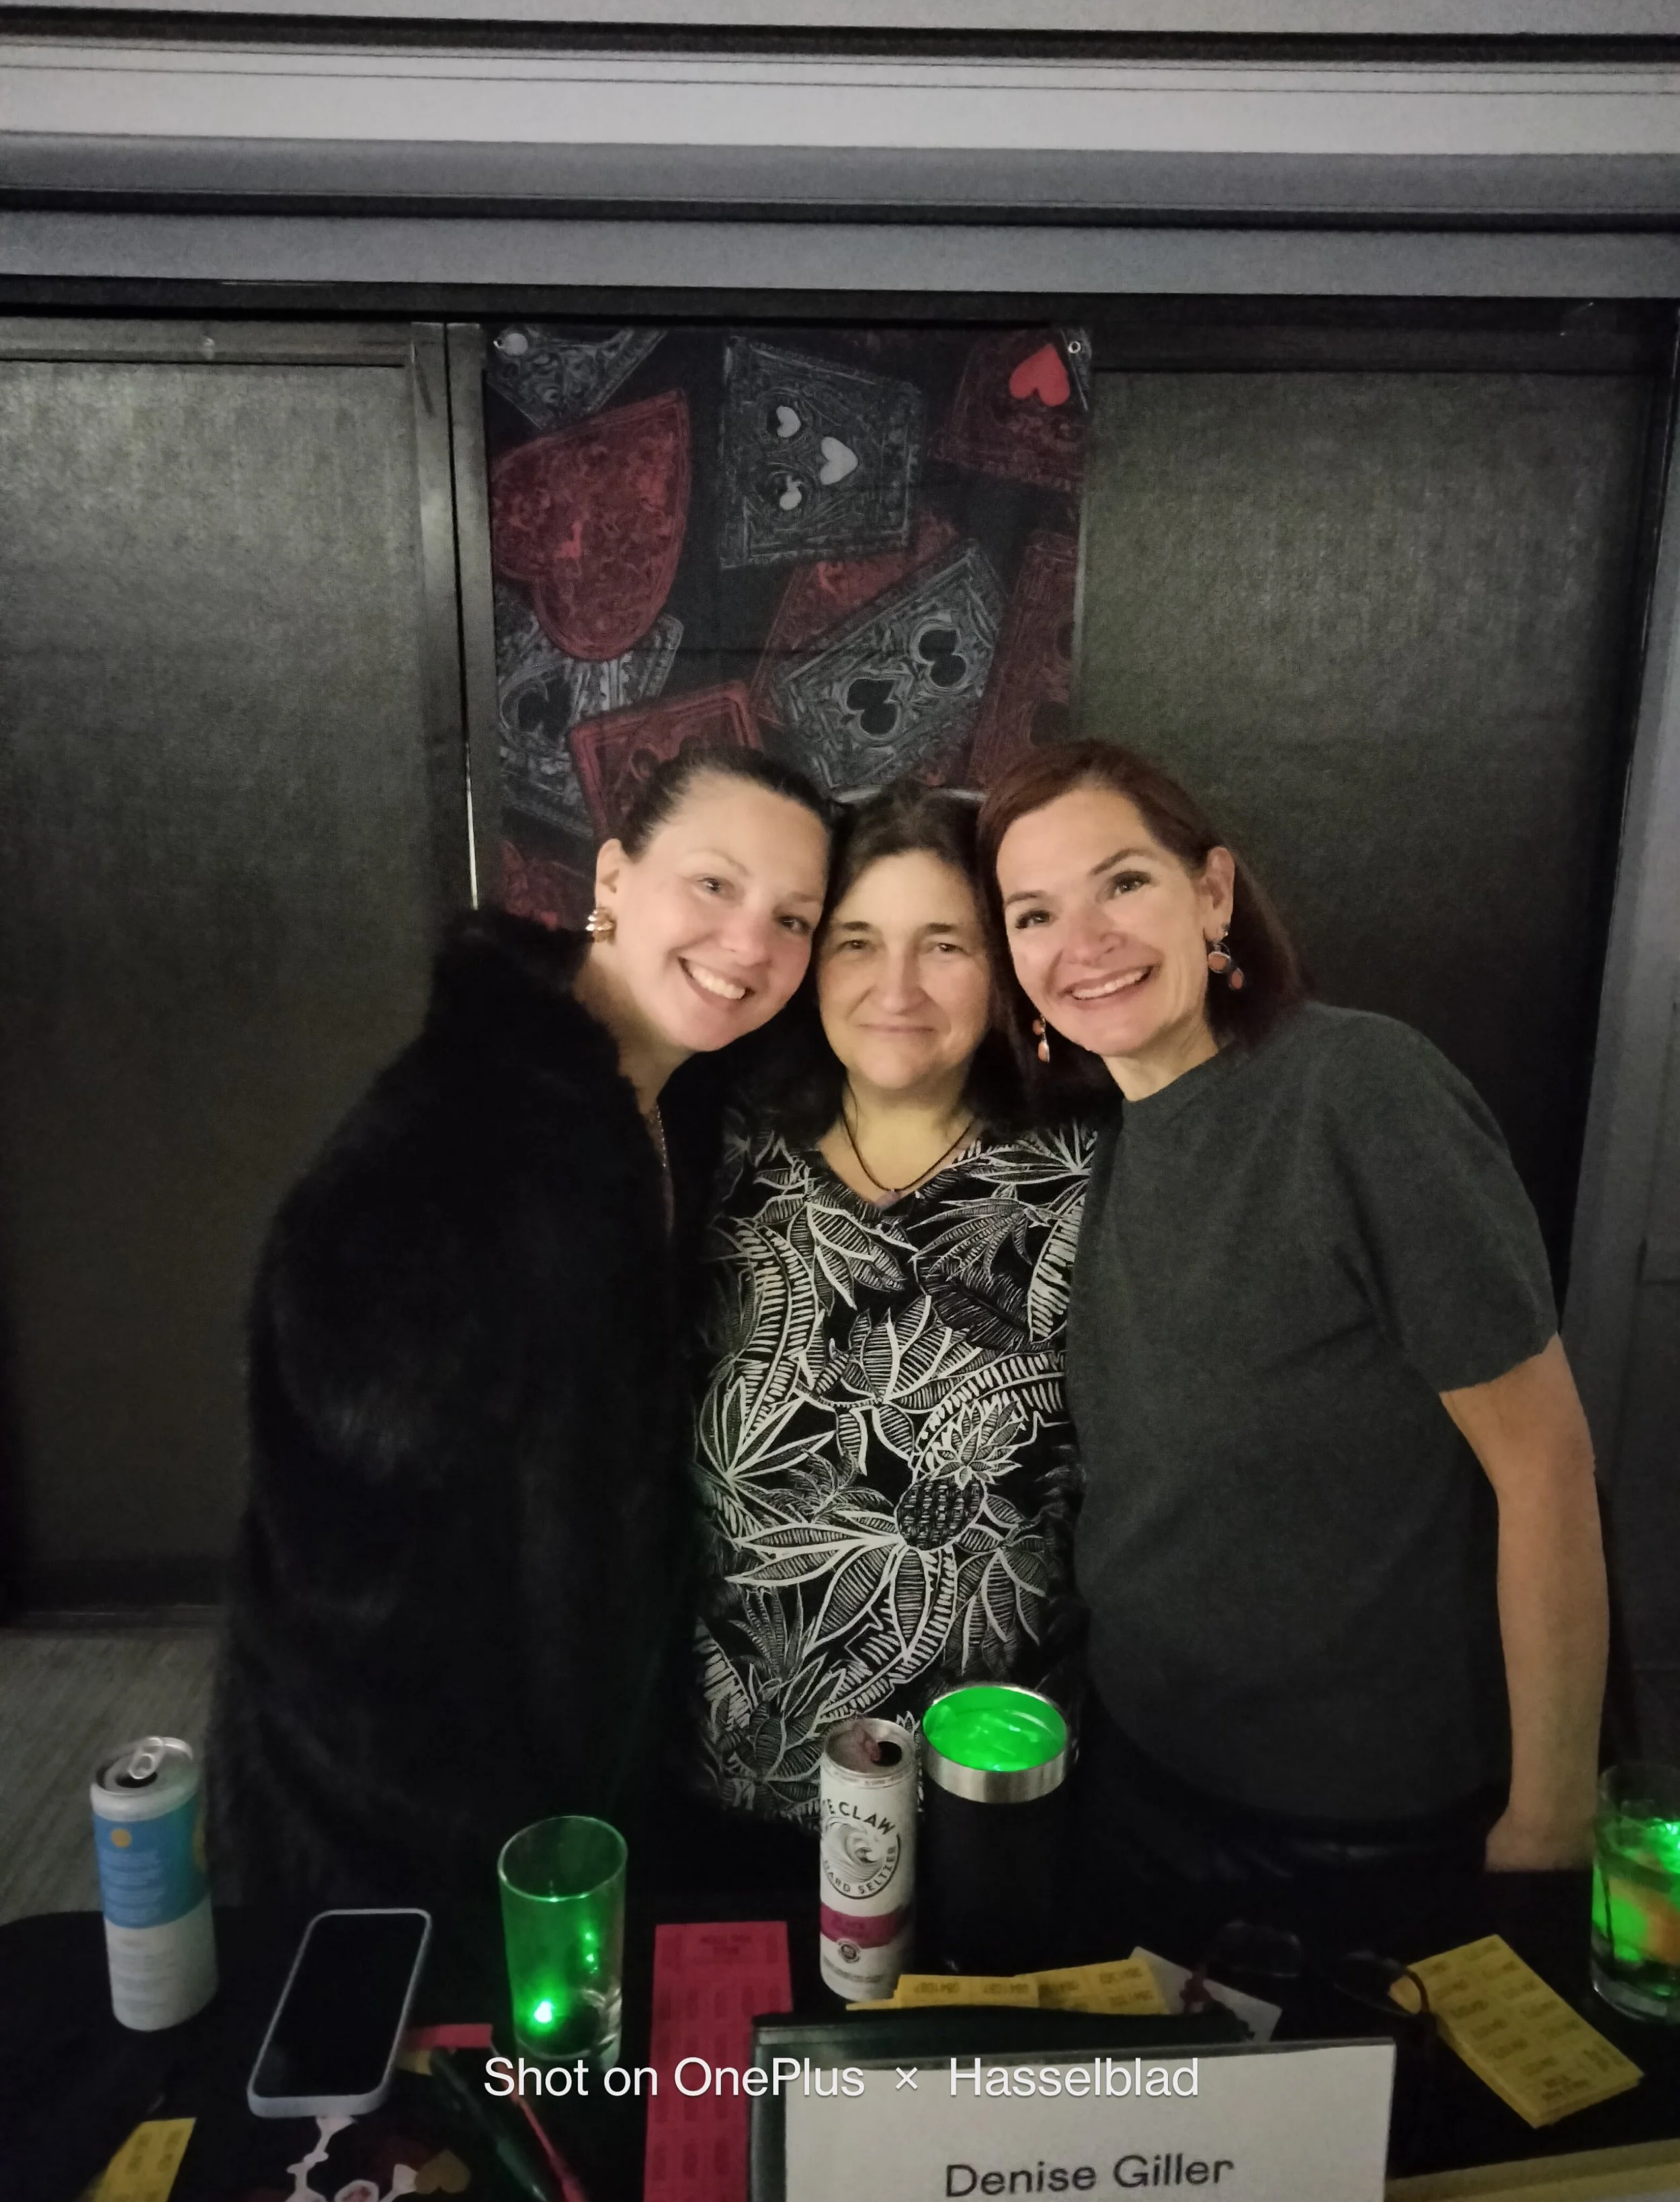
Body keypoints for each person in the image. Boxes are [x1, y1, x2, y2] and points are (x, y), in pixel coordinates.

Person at [210, 744, 831, 1928]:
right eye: (713, 884)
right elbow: (347, 1564)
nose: (750, 942)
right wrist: (481, 1830)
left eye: (793, 917)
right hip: (414, 1833)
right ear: (615, 879)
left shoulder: (675, 1102)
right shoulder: (451, 1144)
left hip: (593, 1785)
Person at [978, 738, 1608, 1880]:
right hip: (1140, 1782)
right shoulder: (1102, 1146)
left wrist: (1551, 1820)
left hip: (1363, 1823)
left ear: (1212, 893)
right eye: (1035, 914)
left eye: (1124, 882)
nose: (1085, 943)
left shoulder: (1358, 1091)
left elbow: (1546, 1466)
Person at [691, 782, 1093, 1830]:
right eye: (858, 943)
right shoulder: (720, 1153)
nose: (897, 987)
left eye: (945, 945)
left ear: (1001, 966)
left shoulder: (1088, 1180)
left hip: (994, 1795)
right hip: (734, 1780)